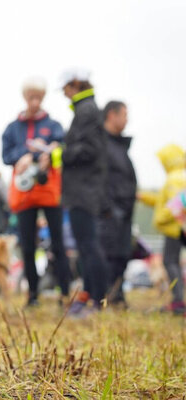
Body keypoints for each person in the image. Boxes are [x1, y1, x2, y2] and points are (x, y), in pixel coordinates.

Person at [2, 77, 71, 307]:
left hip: (49, 191)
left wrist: (49, 152)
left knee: (58, 243)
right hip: (24, 193)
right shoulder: (12, 128)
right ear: (25, 97)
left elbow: (61, 147)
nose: (35, 101)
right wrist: (24, 155)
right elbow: (6, 156)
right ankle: (32, 295)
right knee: (28, 245)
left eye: (38, 97)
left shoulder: (53, 126)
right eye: (31, 96)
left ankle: (65, 292)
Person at [59, 69, 108, 316]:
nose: (64, 94)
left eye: (65, 88)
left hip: (84, 189)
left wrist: (61, 154)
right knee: (86, 244)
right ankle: (90, 295)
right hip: (83, 189)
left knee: (89, 245)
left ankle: (96, 300)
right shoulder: (85, 109)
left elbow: (90, 149)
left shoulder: (87, 110)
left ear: (75, 84)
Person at [139, 144, 186, 314]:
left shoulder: (175, 178)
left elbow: (178, 203)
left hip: (174, 228)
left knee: (170, 262)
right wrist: (144, 197)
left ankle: (179, 301)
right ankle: (178, 300)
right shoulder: (177, 177)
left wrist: (160, 218)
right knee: (171, 262)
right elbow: (162, 200)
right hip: (175, 227)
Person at [98, 101, 137, 307]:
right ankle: (107, 297)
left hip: (123, 212)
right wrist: (107, 209)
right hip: (110, 212)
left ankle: (117, 295)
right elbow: (99, 179)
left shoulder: (118, 145)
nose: (127, 119)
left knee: (121, 255)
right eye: (124, 114)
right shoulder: (102, 144)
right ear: (112, 115)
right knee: (109, 255)